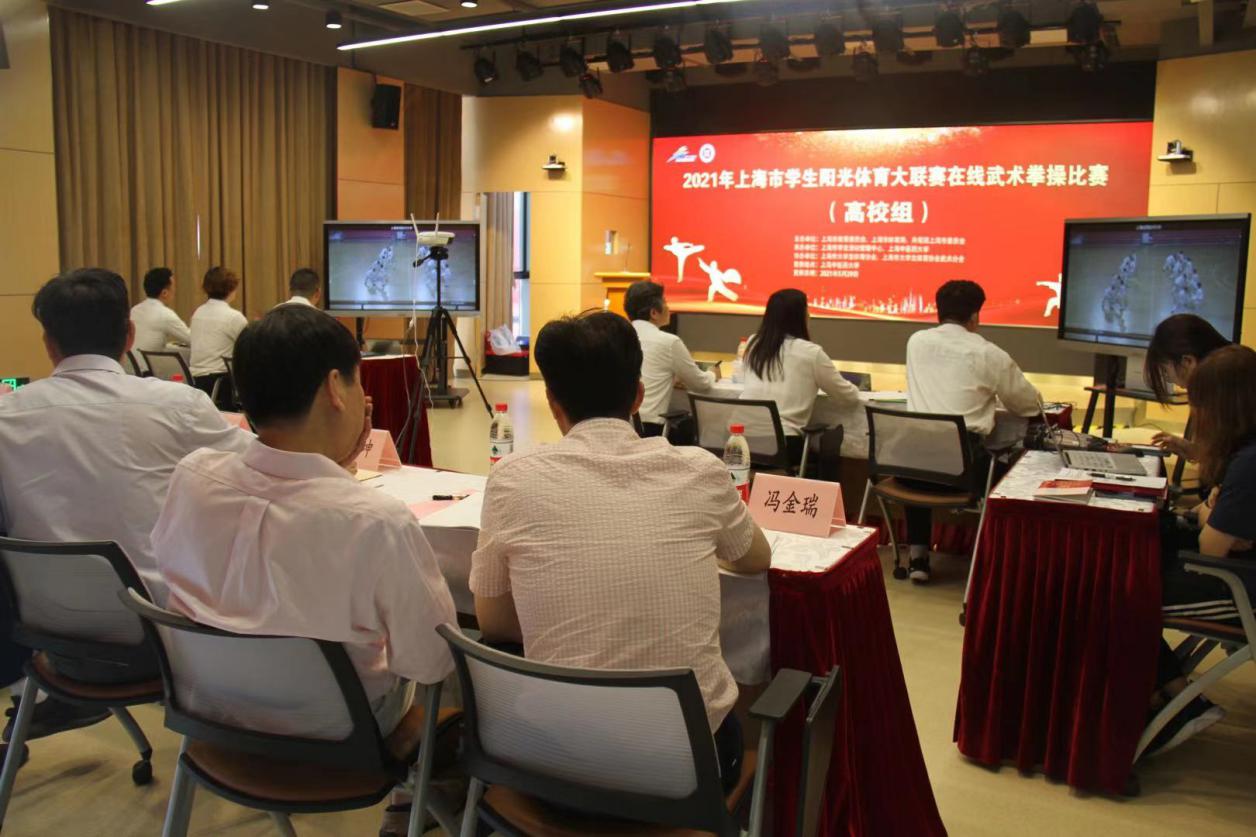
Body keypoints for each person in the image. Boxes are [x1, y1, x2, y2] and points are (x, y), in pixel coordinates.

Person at [471, 311, 772, 793]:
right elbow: (756, 558)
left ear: (552, 403)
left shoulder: (512, 479)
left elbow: (494, 624)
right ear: (638, 396)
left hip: (552, 767)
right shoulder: (699, 471)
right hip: (686, 776)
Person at [0, 268, 249, 737]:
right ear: (129, 335)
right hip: (166, 636)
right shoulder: (178, 405)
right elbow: (265, 471)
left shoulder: (6, 415)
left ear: (48, 342)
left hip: (49, 638)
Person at [1150, 344, 1256, 755]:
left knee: (1117, 591)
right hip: (1237, 570)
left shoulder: (1248, 464)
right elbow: (1207, 517)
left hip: (1238, 585)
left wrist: (1212, 507)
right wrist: (1212, 509)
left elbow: (1211, 547)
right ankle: (1176, 693)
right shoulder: (1245, 454)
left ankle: (1173, 699)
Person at [903, 280, 1040, 583]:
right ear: (976, 316)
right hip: (962, 473)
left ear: (938, 311)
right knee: (1013, 472)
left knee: (923, 452)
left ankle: (917, 556)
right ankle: (997, 560)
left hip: (909, 469)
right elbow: (1028, 405)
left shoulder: (916, 342)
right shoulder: (988, 353)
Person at [740, 288, 860, 479]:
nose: (809, 314)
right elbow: (849, 398)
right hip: (782, 446)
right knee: (829, 445)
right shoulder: (811, 353)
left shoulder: (753, 343)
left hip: (740, 442)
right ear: (799, 316)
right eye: (807, 309)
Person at [624, 279, 716, 440]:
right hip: (651, 430)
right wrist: (712, 373)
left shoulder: (619, 336)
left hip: (622, 423)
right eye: (665, 302)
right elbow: (701, 384)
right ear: (654, 313)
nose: (669, 308)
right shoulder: (669, 342)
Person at [1143, 313, 1231, 462]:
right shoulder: (1229, 375)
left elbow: (1235, 463)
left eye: (1165, 371)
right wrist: (1194, 451)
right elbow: (1227, 455)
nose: (1169, 378)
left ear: (1188, 362)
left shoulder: (1223, 393)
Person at [189, 265, 248, 407]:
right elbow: (251, 347)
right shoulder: (233, 317)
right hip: (221, 384)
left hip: (196, 382)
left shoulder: (198, 313)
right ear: (231, 288)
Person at [130, 267, 191, 368]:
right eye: (173, 288)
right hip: (146, 372)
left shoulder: (134, 310)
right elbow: (192, 340)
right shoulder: (165, 314)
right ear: (164, 293)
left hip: (130, 369)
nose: (174, 291)